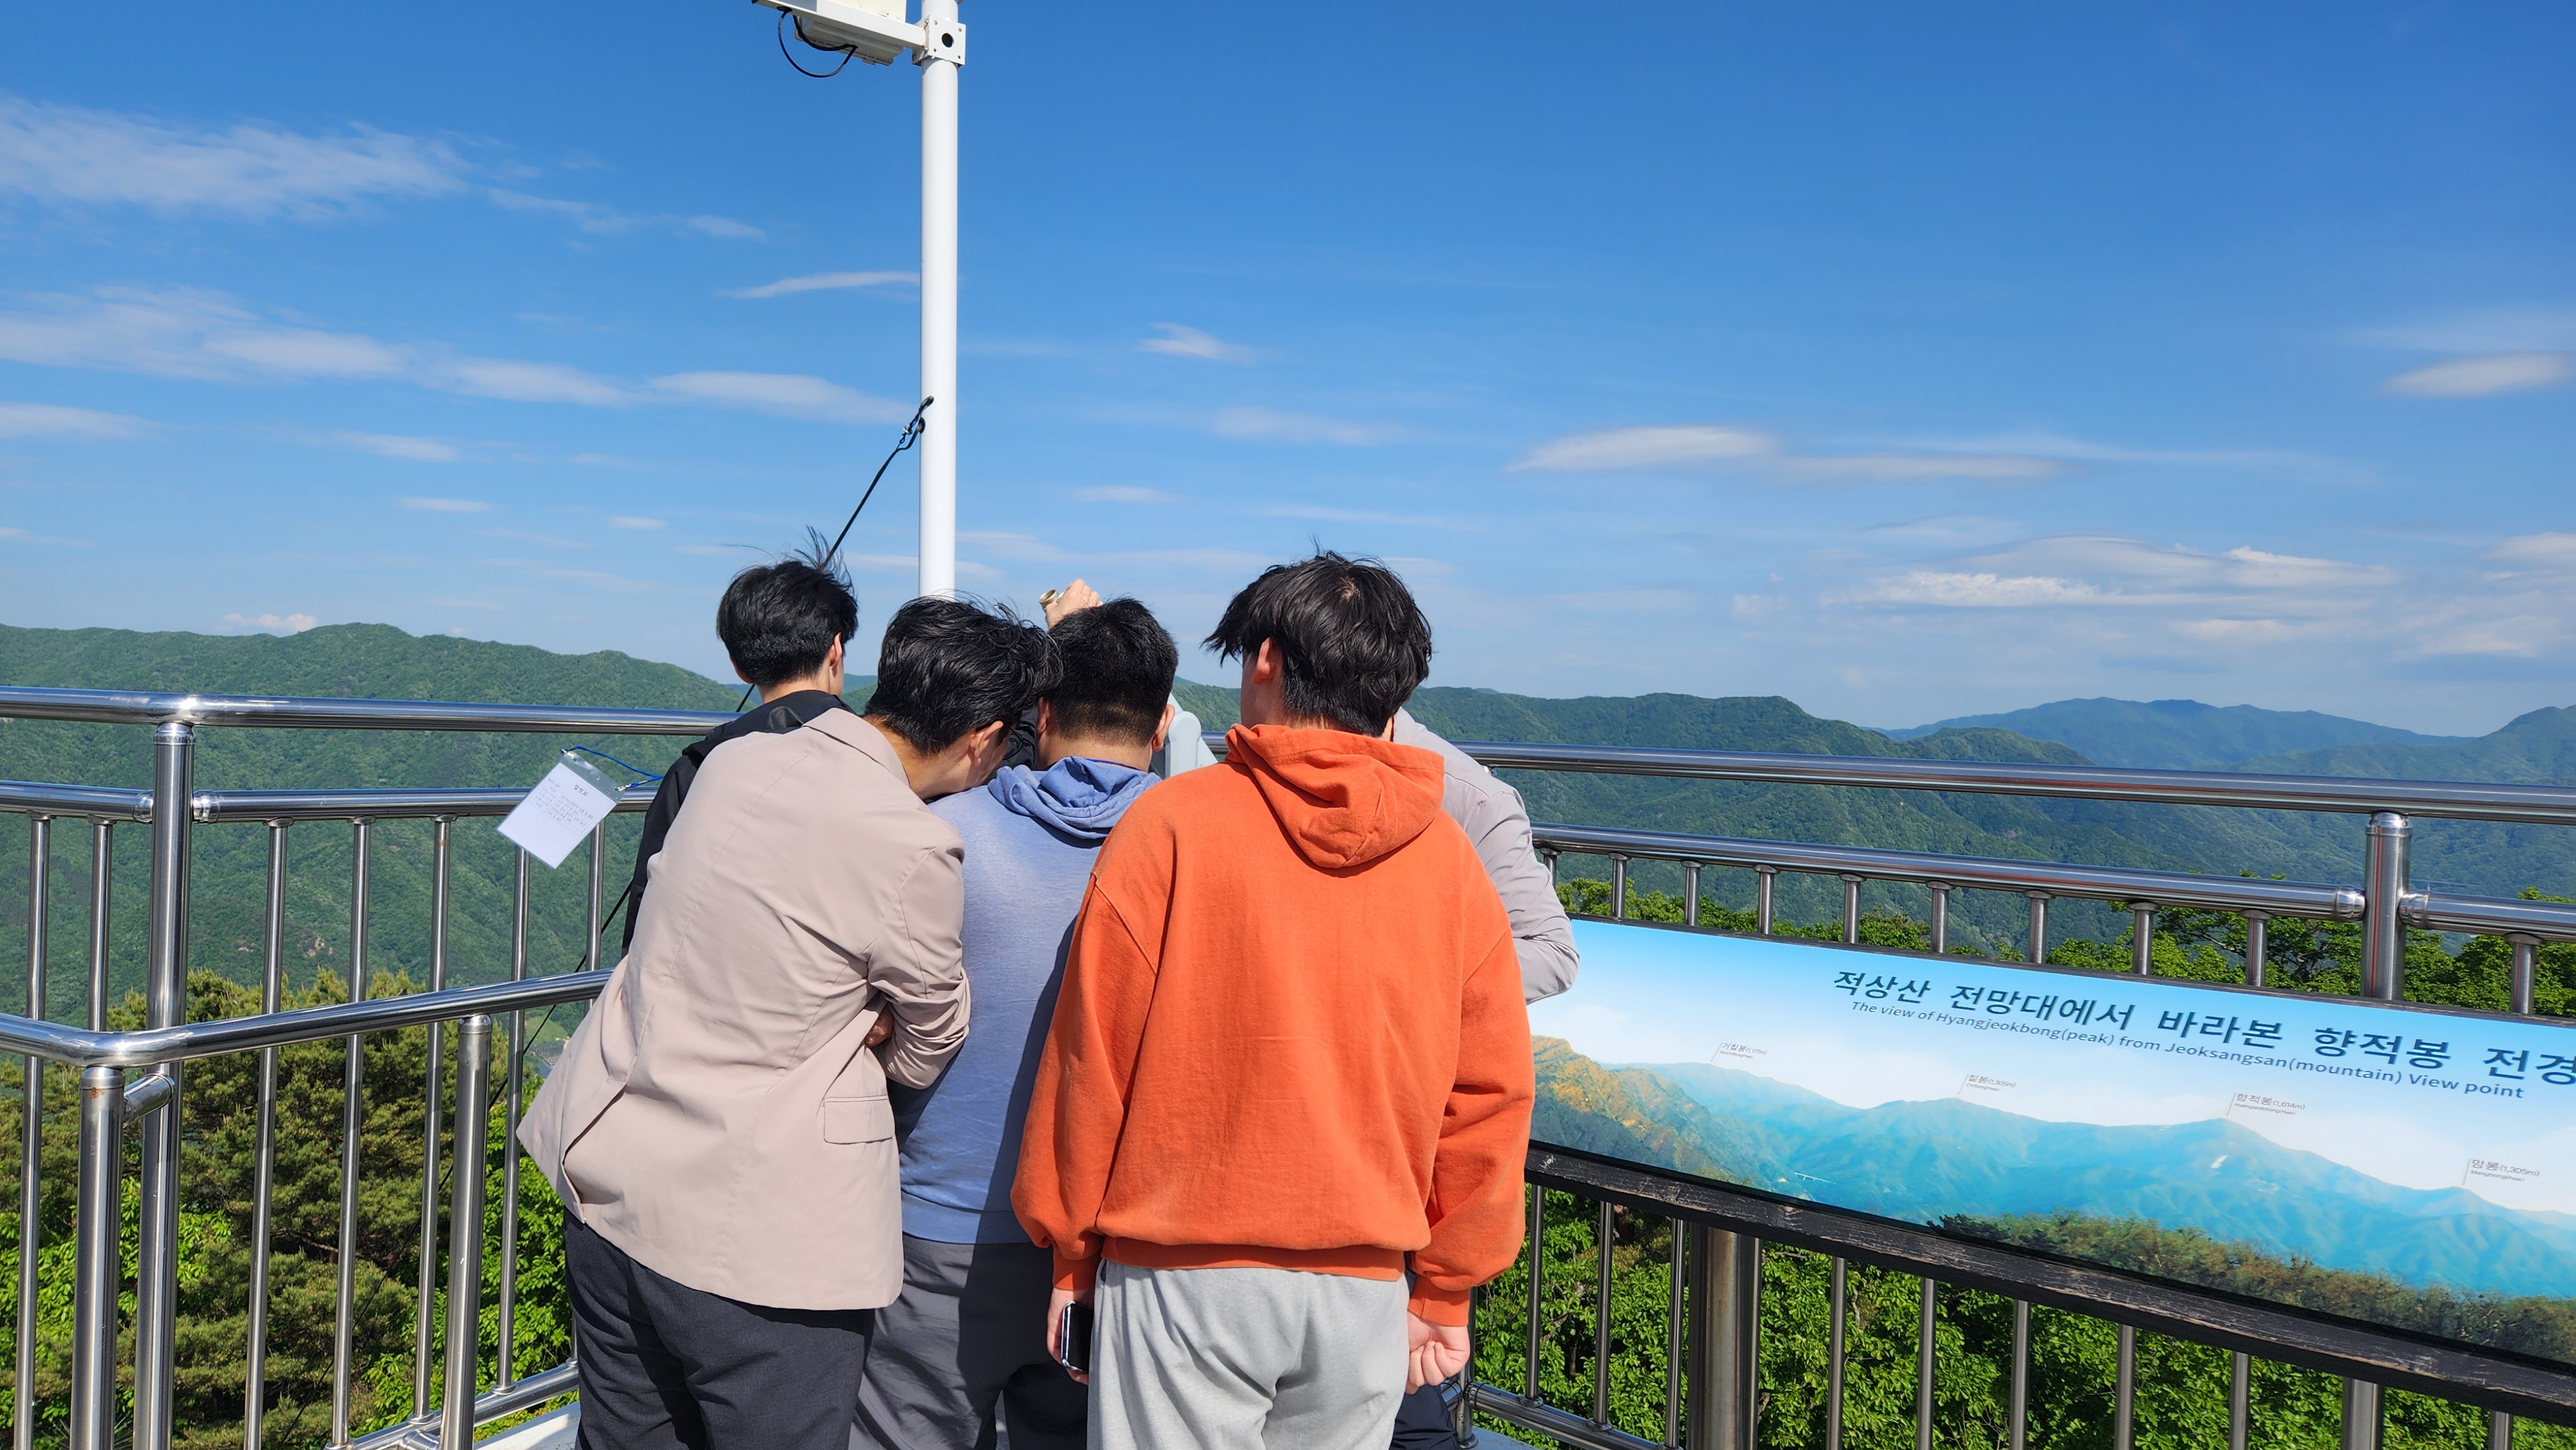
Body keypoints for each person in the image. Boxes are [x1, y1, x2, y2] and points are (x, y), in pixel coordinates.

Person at [1013, 551, 1537, 1450]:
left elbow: (1092, 1059)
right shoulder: (1451, 862)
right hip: (1366, 1283)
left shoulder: (1170, 825)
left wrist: (1071, 1255)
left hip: (1180, 1270)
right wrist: (1447, 1287)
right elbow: (1489, 1094)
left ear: (1265, 661)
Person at [518, 582, 1058, 1450]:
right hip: (752, 1241)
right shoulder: (912, 842)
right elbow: (931, 1038)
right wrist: (863, 1033)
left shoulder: (734, 761)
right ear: (983, 738)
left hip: (608, 1177)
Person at [854, 597, 1182, 1450]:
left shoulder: (943, 832)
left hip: (937, 1227)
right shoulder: (1194, 851)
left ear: (1040, 713)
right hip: (1112, 1243)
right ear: (1162, 727)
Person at [619, 553, 855, 952]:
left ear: (739, 668)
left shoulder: (697, 767)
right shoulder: (878, 760)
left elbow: (648, 910)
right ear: (836, 649)